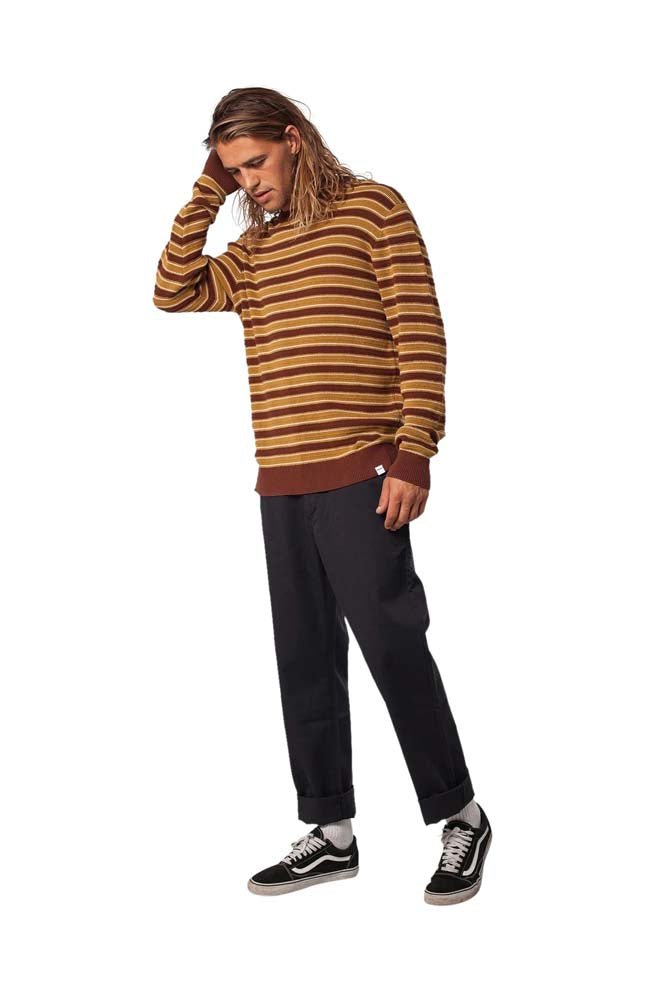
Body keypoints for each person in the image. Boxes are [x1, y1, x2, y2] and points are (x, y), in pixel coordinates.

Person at [153, 86, 492, 905]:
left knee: (392, 647)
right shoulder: (254, 252)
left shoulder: (373, 210)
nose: (250, 181)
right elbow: (172, 287)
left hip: (364, 471)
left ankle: (461, 814)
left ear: (294, 139)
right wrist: (208, 189)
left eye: (255, 162)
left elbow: (418, 329)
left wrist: (414, 452)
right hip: (282, 480)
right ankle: (330, 831)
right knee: (303, 657)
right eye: (234, 172)